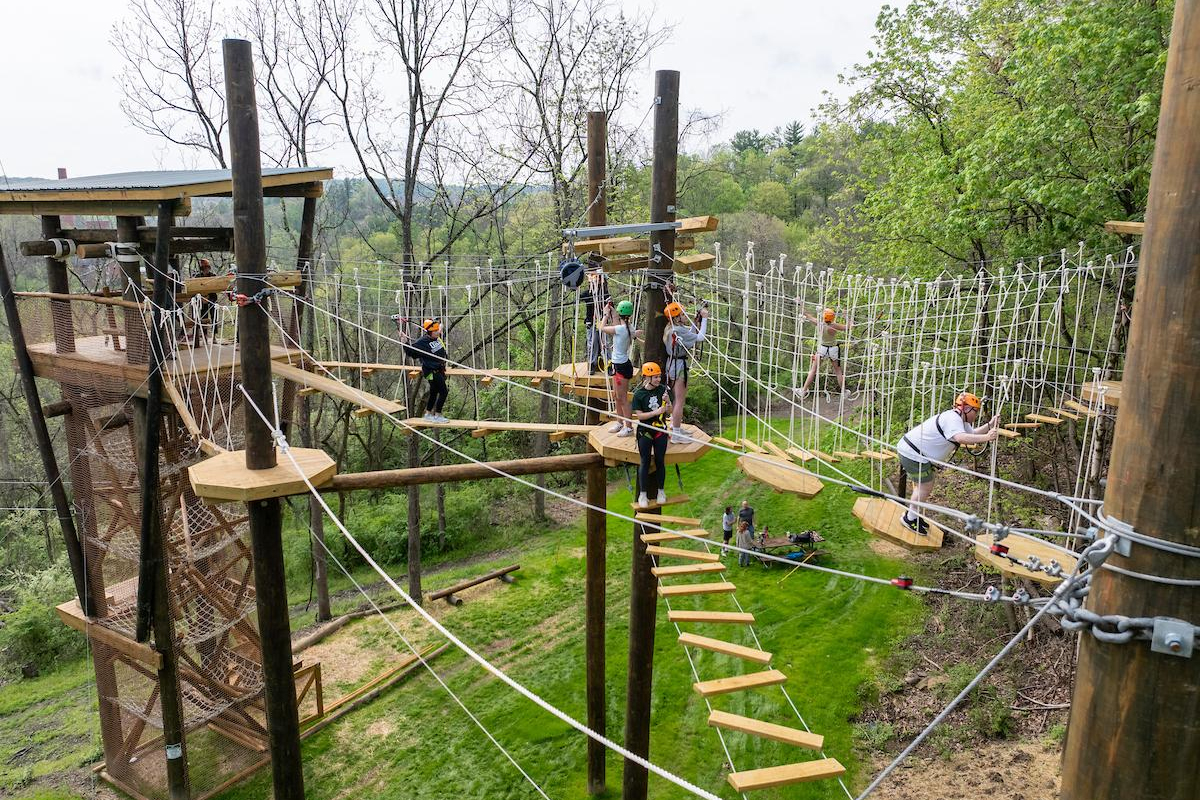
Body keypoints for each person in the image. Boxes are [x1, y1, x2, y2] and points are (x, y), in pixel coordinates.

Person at [895, 391, 1000, 534]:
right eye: (975, 411)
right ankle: (910, 518)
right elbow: (961, 438)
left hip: (915, 453)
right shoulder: (952, 419)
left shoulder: (960, 419)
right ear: (965, 408)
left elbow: (973, 434)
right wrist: (987, 437)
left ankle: (913, 515)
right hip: (913, 453)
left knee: (925, 486)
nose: (976, 415)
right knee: (925, 486)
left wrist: (990, 425)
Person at [662, 300, 709, 443]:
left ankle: (675, 426)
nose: (684, 316)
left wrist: (695, 322)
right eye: (682, 314)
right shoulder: (678, 330)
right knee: (679, 401)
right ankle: (676, 434)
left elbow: (689, 335)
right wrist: (705, 319)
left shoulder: (671, 328)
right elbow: (700, 337)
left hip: (672, 364)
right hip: (679, 367)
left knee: (676, 399)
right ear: (676, 317)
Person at [597, 299, 642, 437]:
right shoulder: (628, 327)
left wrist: (606, 315)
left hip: (621, 366)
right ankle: (620, 422)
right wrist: (612, 311)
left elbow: (602, 328)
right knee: (616, 396)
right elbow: (617, 323)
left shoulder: (621, 329)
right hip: (619, 365)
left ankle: (628, 427)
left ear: (620, 314)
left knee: (622, 398)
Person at [631, 361, 672, 508]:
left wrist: (668, 402)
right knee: (645, 461)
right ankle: (643, 494)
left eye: (659, 377)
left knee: (660, 460)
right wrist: (656, 412)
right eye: (655, 377)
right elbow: (640, 416)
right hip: (645, 431)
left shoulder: (662, 390)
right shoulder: (639, 395)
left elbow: (670, 411)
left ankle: (661, 491)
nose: (658, 379)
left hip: (660, 430)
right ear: (647, 378)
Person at [400, 318, 450, 423]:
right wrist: (404, 342)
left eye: (438, 331)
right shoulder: (422, 342)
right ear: (430, 332)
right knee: (444, 392)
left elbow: (439, 329)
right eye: (435, 331)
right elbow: (411, 352)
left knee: (434, 391)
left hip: (438, 369)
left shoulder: (435, 338)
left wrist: (439, 324)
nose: (438, 332)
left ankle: (428, 414)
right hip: (432, 371)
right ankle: (438, 415)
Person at [797, 307, 850, 396]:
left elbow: (807, 315)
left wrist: (800, 304)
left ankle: (803, 390)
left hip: (822, 349)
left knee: (813, 370)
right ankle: (844, 392)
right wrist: (846, 316)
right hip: (833, 349)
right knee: (838, 372)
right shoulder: (834, 326)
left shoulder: (819, 323)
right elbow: (849, 327)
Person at [580, 270, 610, 374]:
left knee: (605, 344)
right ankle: (592, 364)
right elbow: (579, 297)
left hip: (603, 322)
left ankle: (608, 365)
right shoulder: (588, 293)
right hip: (591, 322)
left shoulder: (604, 294)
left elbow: (610, 305)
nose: (595, 281)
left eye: (597, 279)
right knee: (592, 344)